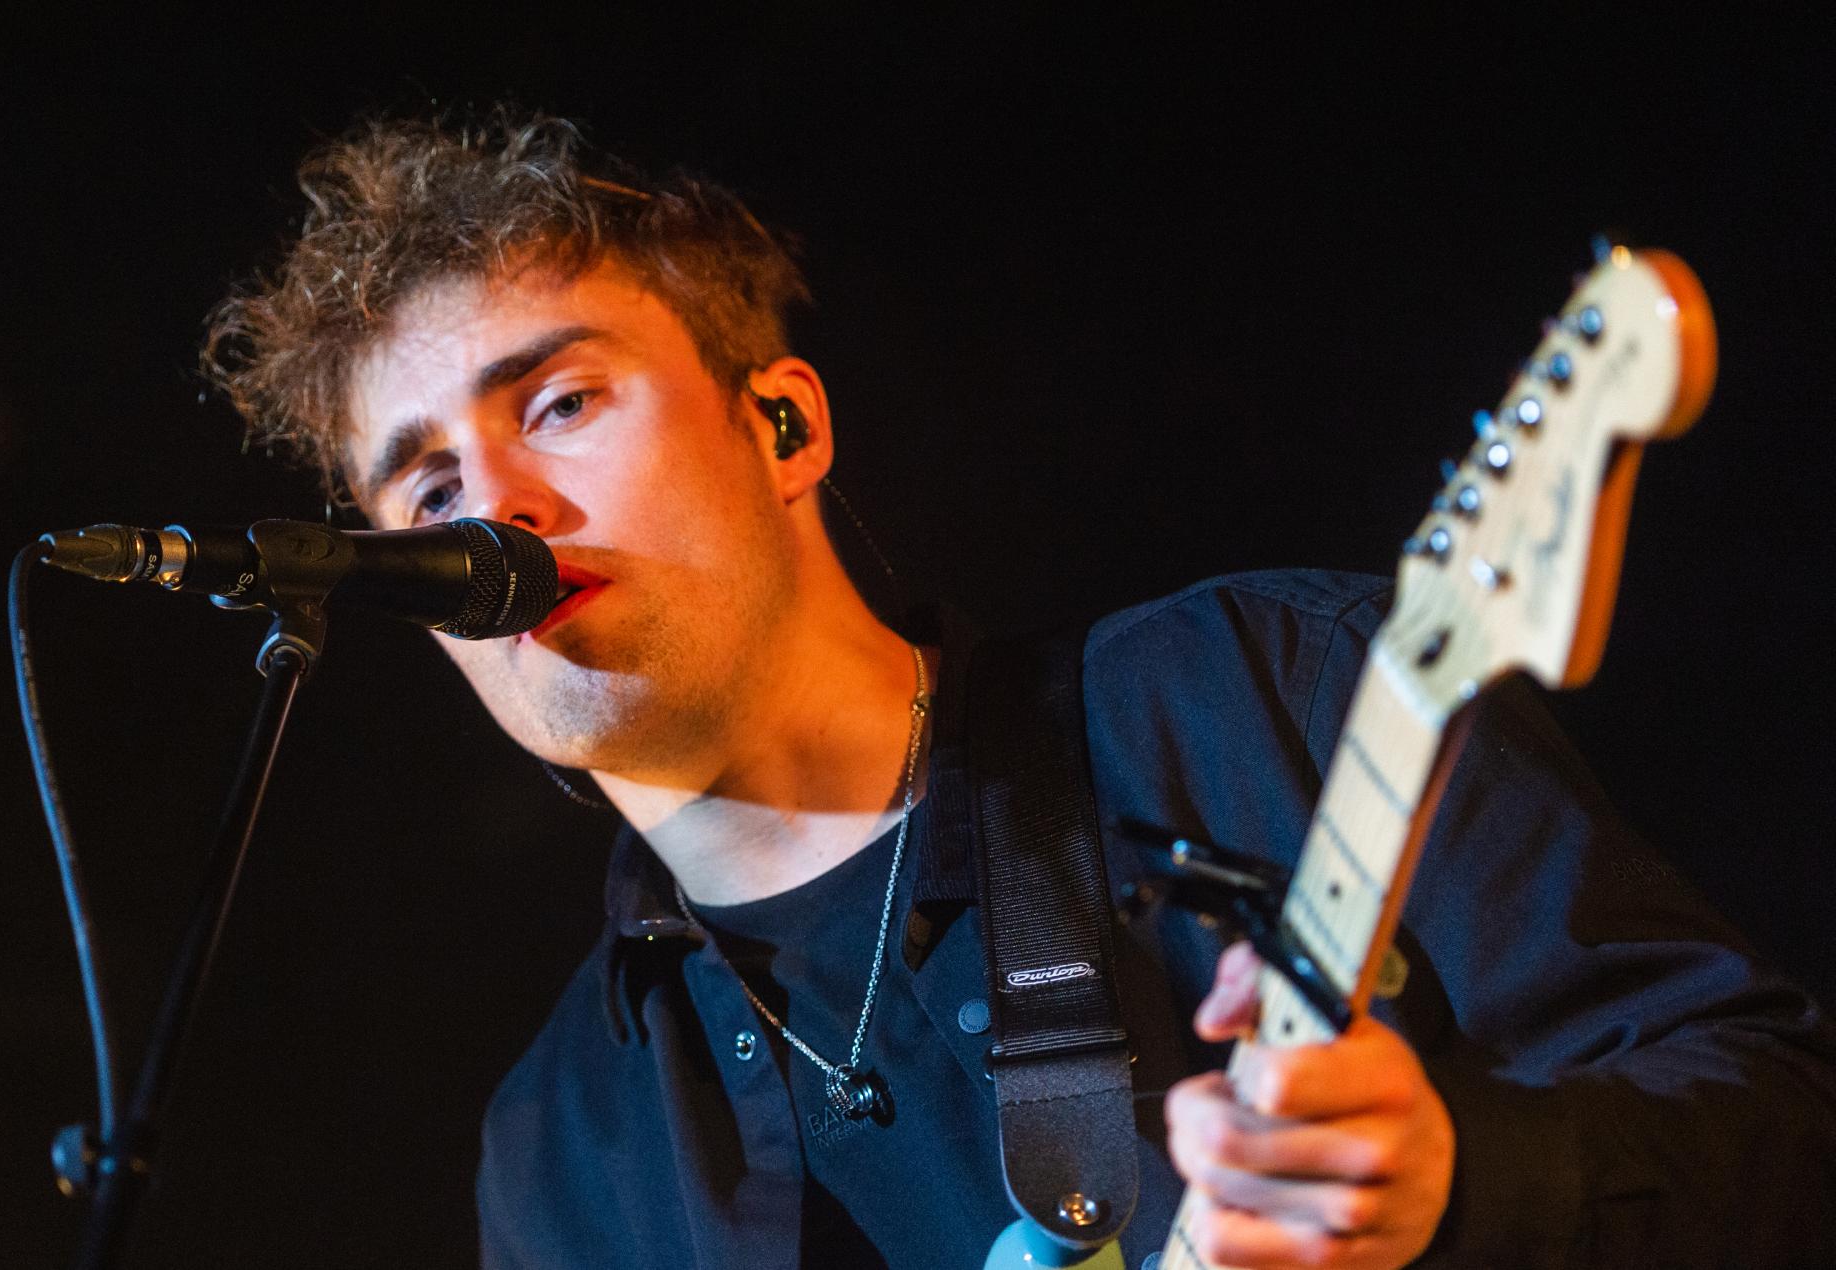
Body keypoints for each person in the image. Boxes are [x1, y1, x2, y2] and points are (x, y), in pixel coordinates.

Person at [202, 110, 1836, 1268]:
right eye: (422, 491)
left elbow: (1785, 1137)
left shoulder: (1275, 697)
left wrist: (1465, 1184)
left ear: (784, 428)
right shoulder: (565, 1150)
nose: (494, 511)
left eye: (557, 401)